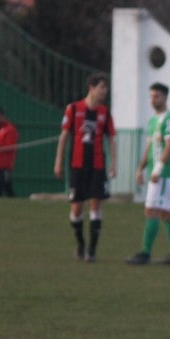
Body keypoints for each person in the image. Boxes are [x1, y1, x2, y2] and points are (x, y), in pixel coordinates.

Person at [54, 73, 116, 262]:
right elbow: (64, 137)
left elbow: (111, 139)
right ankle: (80, 243)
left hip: (97, 166)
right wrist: (58, 161)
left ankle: (92, 250)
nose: (105, 91)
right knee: (76, 209)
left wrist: (113, 163)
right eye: (102, 87)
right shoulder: (73, 109)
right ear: (92, 88)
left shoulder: (105, 113)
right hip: (77, 166)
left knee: (95, 205)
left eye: (106, 87)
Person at [126, 83, 170, 265]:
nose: (153, 100)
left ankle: (145, 253)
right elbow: (150, 147)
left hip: (165, 173)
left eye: (156, 96)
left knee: (152, 210)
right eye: (151, 96)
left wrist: (158, 169)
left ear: (165, 97)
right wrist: (140, 168)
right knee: (165, 212)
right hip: (157, 173)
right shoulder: (152, 121)